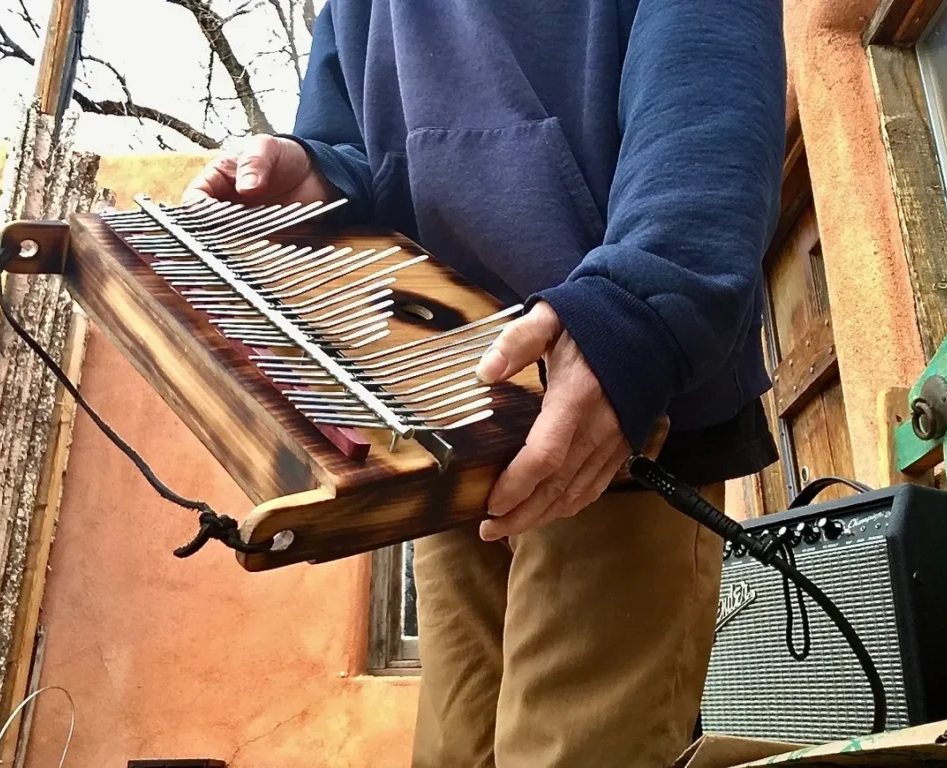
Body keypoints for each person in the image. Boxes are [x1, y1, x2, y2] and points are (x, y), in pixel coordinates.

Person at [184, 1, 786, 765]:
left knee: (571, 750)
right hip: (452, 413)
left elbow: (708, 71)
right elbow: (365, 153)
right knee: (452, 751)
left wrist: (638, 307)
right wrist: (319, 170)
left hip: (613, 395)